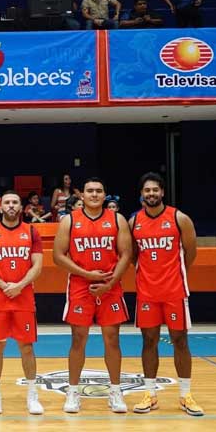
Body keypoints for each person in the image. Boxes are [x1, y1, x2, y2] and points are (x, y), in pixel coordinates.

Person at [52, 177, 132, 414]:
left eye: (99, 191)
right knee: (78, 339)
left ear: (105, 194)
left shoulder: (117, 220)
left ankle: (115, 392)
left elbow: (126, 255)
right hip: (80, 286)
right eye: (90, 191)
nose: (94, 194)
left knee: (112, 339)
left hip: (110, 286)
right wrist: (87, 273)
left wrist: (109, 283)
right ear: (82, 196)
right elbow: (58, 256)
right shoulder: (69, 221)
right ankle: (73, 392)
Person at [128, 173, 203, 417]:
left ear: (162, 192)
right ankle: (150, 394)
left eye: (155, 190)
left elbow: (190, 254)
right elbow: (131, 257)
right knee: (148, 342)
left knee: (180, 341)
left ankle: (185, 395)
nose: (151, 194)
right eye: (147, 190)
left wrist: (174, 275)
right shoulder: (133, 222)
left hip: (174, 292)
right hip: (147, 293)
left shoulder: (179, 218)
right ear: (142, 194)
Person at [0, 190, 44, 415]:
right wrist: (5, 285)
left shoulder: (32, 231)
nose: (12, 205)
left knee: (27, 347)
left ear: (21, 207)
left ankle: (32, 395)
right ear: (0, 207)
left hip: (24, 297)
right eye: (7, 202)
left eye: (15, 202)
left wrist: (19, 285)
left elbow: (37, 265)